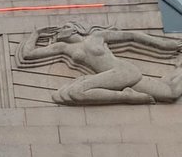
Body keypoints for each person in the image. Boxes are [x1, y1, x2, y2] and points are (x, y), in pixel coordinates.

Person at [17, 23, 182, 105]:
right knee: (169, 91)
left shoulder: (96, 37)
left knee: (76, 92)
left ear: (74, 29)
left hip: (123, 71)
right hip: (113, 76)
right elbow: (28, 54)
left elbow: (132, 35)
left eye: (63, 27)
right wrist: (36, 33)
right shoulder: (64, 47)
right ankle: (127, 95)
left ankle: (128, 97)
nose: (58, 31)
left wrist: (166, 45)